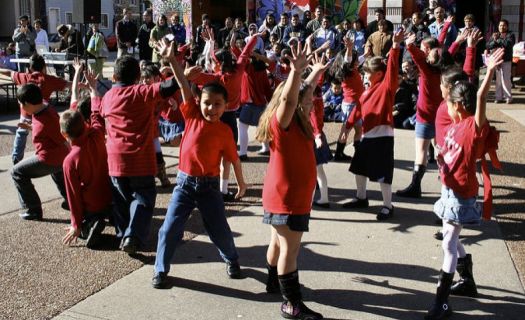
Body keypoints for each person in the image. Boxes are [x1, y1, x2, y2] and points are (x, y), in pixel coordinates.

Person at [151, 40, 247, 288]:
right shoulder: (192, 113)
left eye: (217, 104)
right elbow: (183, 84)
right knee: (170, 227)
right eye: (207, 102)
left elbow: (233, 159)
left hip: (209, 187)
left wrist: (242, 183)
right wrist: (172, 60)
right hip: (184, 184)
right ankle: (160, 270)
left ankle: (232, 259)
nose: (211, 108)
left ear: (226, 106)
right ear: (198, 102)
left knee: (219, 229)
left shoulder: (225, 131)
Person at [424, 48, 504, 320]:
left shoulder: (472, 126)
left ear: (459, 106)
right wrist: (441, 156)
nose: (449, 107)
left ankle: (441, 303)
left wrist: (490, 71)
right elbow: (451, 151)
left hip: (460, 194)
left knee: (448, 245)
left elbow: (480, 97)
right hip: (449, 190)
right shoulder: (456, 126)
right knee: (451, 240)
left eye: (452, 104)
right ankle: (467, 280)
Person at [255, 42, 328, 320]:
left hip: (286, 196)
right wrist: (296, 72)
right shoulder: (283, 120)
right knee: (290, 248)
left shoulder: (298, 119)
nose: (311, 101)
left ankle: (273, 281)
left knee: (276, 243)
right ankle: (291, 303)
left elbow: (301, 93)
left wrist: (315, 72)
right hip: (286, 198)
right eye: (305, 99)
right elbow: (289, 99)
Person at [99, 49, 180, 254]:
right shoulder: (141, 92)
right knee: (143, 199)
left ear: (114, 76)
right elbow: (170, 86)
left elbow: (99, 113)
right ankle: (132, 236)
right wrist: (176, 66)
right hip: (141, 160)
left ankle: (122, 234)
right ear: (137, 77)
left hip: (115, 161)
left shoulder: (108, 96)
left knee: (121, 201)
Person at [185, 33, 259, 201]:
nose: (212, 64)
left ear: (218, 64)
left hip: (214, 119)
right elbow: (245, 53)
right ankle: (223, 190)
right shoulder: (238, 70)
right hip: (231, 118)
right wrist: (254, 37)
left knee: (211, 154)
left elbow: (193, 77)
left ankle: (210, 185)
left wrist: (188, 69)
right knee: (227, 157)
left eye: (213, 62)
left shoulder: (216, 79)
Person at [343, 29, 404, 220]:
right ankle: (361, 197)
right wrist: (346, 127)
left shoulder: (386, 87)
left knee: (383, 174)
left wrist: (395, 47)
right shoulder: (365, 92)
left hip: (383, 136)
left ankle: (388, 205)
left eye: (367, 73)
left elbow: (392, 70)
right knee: (359, 168)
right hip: (367, 137)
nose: (364, 75)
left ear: (378, 74)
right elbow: (357, 111)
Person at [396, 32, 453, 198]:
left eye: (424, 49)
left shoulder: (427, 71)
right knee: (439, 151)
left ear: (428, 51)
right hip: (441, 117)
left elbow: (418, 57)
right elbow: (440, 47)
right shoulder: (444, 69)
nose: (422, 51)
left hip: (425, 117)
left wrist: (409, 45)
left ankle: (415, 186)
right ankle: (447, 185)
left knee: (421, 152)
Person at [61, 65, 112, 249]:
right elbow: (97, 113)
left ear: (65, 135)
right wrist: (93, 88)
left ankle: (88, 225)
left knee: (82, 222)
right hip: (108, 196)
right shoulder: (97, 134)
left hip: (91, 204)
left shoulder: (69, 161)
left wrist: (75, 223)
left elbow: (73, 196)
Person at [11, 83, 69, 220]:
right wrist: (31, 127)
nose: (20, 107)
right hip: (57, 156)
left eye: (21, 103)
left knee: (17, 172)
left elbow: (62, 138)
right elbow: (47, 131)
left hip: (50, 158)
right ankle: (71, 202)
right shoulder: (43, 107)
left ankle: (33, 210)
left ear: (27, 103)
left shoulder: (47, 119)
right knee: (58, 175)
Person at [0, 54, 70, 165]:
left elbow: (9, 73)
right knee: (46, 135)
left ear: (30, 68)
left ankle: (16, 158)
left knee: (21, 133)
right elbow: (67, 84)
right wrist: (84, 85)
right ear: (44, 67)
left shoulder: (25, 77)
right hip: (40, 115)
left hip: (25, 113)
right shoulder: (48, 79)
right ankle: (48, 156)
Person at [329, 36, 364, 162]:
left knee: (358, 130)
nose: (357, 61)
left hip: (356, 104)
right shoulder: (346, 70)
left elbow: (358, 59)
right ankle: (339, 154)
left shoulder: (351, 70)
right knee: (347, 130)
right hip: (351, 104)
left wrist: (367, 53)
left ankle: (354, 153)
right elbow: (348, 60)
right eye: (355, 58)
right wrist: (349, 48)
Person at [238, 50, 272, 160]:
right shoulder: (263, 71)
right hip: (261, 103)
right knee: (261, 127)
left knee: (243, 127)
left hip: (249, 103)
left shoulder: (248, 68)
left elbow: (241, 56)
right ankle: (265, 147)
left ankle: (243, 153)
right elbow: (267, 89)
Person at [487, 19, 515, 104]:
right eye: (500, 25)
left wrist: (497, 41)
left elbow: (508, 44)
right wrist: (495, 41)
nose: (501, 27)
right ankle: (498, 97)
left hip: (506, 60)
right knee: (498, 80)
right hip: (497, 60)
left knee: (506, 79)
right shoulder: (495, 34)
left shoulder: (510, 35)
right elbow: (488, 45)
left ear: (507, 26)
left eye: (503, 25)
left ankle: (508, 97)